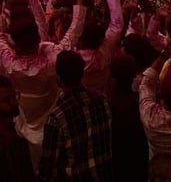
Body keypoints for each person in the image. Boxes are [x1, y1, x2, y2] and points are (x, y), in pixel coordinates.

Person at [38, 50, 114, 181]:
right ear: (82, 73)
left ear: (58, 80)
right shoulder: (103, 100)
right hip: (105, 175)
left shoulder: (57, 117)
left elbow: (48, 168)